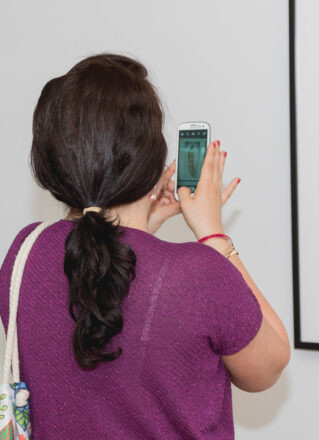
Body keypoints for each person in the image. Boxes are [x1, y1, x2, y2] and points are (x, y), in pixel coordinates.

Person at [0, 53, 290, 438]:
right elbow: (268, 366)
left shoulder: (24, 253)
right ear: (151, 160)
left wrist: (139, 231)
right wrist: (212, 234)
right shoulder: (197, 274)